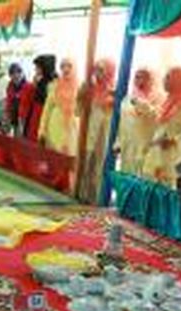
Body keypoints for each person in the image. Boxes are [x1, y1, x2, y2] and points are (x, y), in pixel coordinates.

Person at [141, 67, 181, 187]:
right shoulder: (167, 101)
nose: (164, 81)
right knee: (151, 185)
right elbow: (159, 125)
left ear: (179, 80)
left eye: (168, 78)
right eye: (165, 77)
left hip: (176, 154)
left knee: (171, 188)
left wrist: (173, 140)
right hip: (158, 151)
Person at [76, 58, 116, 204]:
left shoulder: (115, 91)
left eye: (102, 70)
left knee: (100, 165)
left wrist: (112, 101)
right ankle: (80, 193)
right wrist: (81, 96)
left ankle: (96, 197)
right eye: (96, 69)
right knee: (85, 162)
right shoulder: (88, 88)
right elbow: (78, 111)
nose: (98, 73)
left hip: (104, 135)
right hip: (88, 133)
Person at [115, 68, 162, 175]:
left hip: (144, 144)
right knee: (126, 173)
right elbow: (122, 120)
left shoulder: (157, 98)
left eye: (144, 77)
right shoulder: (128, 97)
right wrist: (118, 142)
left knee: (140, 175)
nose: (139, 80)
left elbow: (156, 117)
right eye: (137, 77)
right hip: (128, 143)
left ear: (151, 80)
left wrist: (141, 103)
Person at [39, 57, 79, 155]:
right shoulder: (54, 86)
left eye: (69, 66)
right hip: (53, 130)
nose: (66, 69)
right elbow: (47, 109)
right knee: (53, 159)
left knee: (69, 160)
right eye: (62, 66)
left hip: (72, 131)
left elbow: (82, 111)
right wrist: (42, 130)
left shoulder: (80, 87)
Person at [19, 55, 58, 142]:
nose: (35, 69)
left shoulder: (52, 82)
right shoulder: (40, 81)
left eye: (37, 67)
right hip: (36, 113)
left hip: (43, 115)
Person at [5, 63, 29, 136]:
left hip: (24, 119)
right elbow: (8, 101)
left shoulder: (28, 86)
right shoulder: (10, 86)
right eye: (12, 74)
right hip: (14, 117)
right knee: (15, 137)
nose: (16, 76)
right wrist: (7, 115)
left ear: (22, 73)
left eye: (18, 73)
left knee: (21, 138)